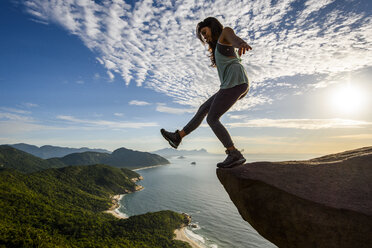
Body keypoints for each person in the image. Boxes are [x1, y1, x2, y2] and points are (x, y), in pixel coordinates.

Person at [161, 17, 252, 168]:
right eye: (202, 34)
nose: (204, 36)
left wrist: (240, 43)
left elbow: (233, 37)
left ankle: (233, 153)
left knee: (212, 118)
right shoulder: (218, 47)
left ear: (213, 27)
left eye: (204, 32)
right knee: (204, 108)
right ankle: (178, 137)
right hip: (232, 84)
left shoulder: (225, 33)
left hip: (236, 83)